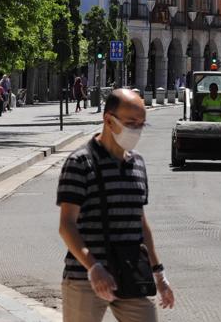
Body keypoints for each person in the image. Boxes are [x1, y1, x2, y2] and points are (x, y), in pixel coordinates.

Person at [57, 89, 174, 322]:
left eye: (141, 124)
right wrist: (93, 267)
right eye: (131, 122)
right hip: (85, 277)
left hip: (130, 274)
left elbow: (140, 222)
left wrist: (158, 274)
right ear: (108, 120)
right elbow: (67, 225)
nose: (136, 129)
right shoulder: (80, 162)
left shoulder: (138, 164)